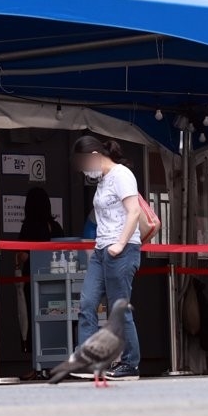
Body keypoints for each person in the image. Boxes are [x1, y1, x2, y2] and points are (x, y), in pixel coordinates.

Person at [72, 136, 142, 381]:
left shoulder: (122, 175)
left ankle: (130, 364)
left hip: (122, 249)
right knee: (87, 303)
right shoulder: (102, 181)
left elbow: (134, 211)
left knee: (118, 309)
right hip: (102, 250)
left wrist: (120, 243)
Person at [17, 187, 64, 379]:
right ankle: (55, 364)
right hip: (57, 282)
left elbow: (22, 256)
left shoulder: (29, 227)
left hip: (34, 281)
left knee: (34, 320)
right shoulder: (56, 226)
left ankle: (37, 366)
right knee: (55, 319)